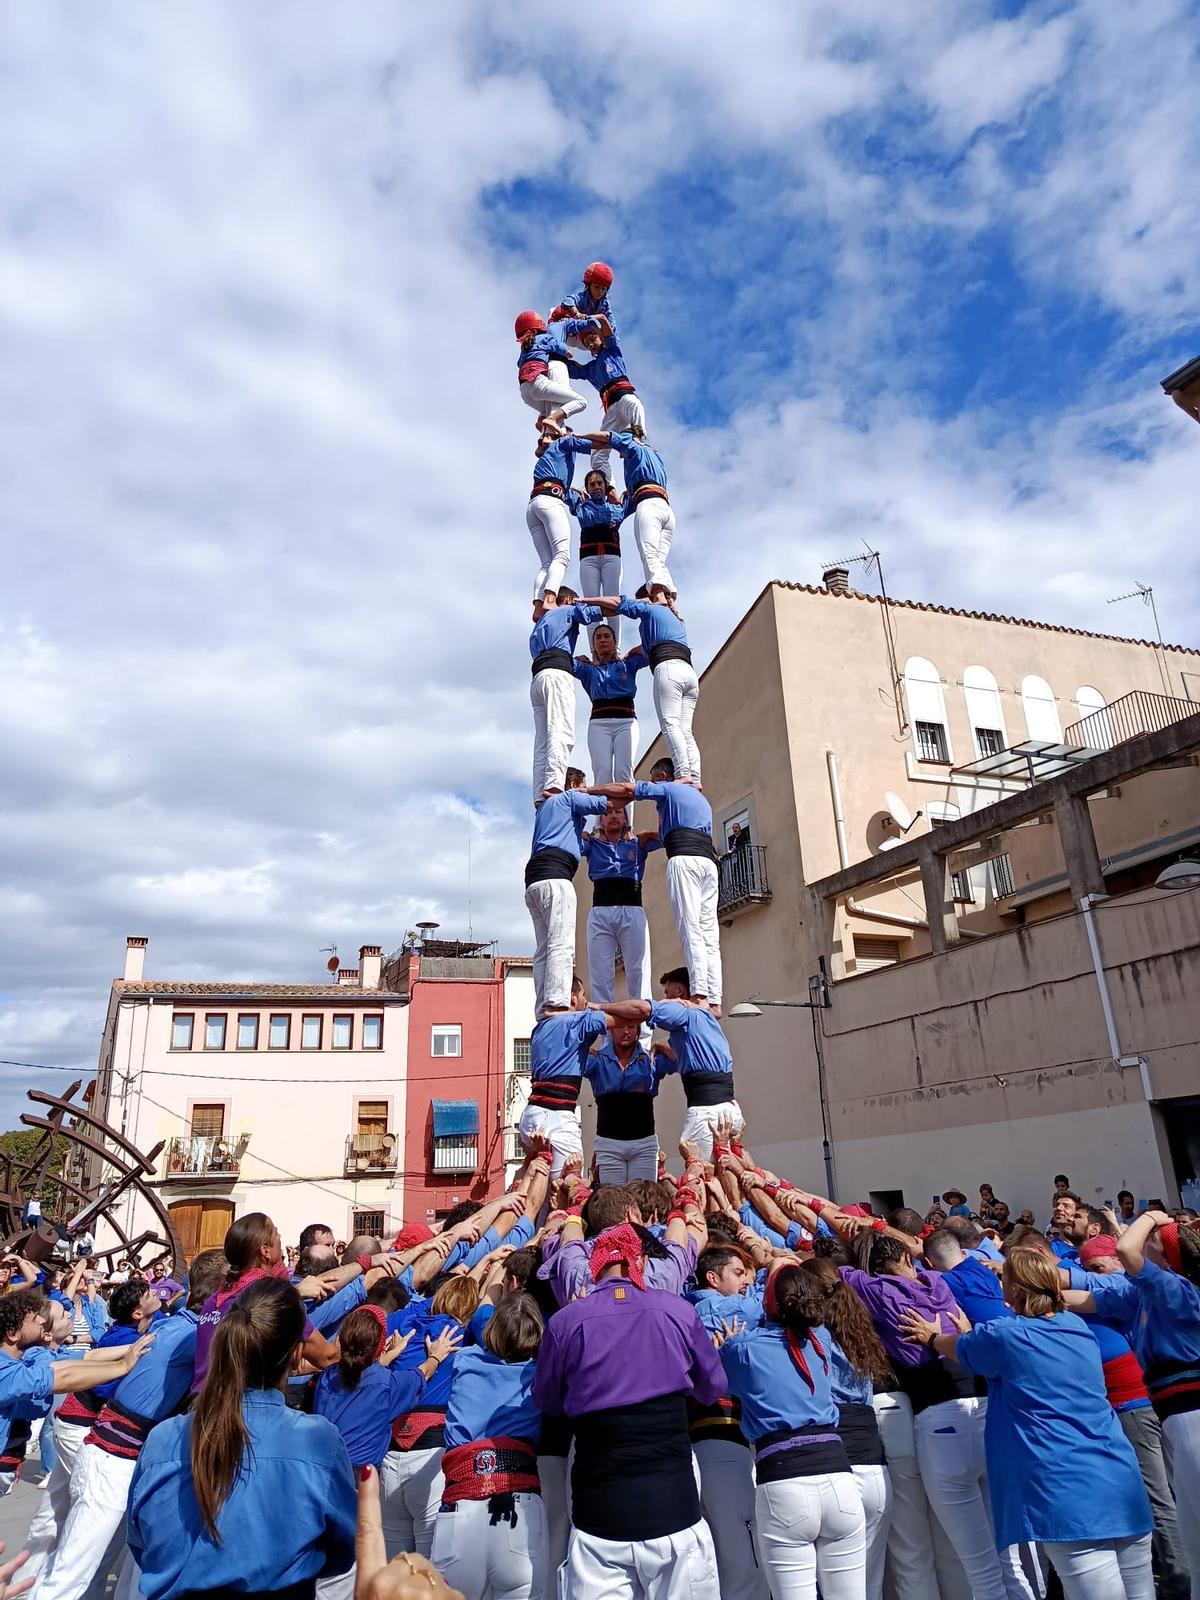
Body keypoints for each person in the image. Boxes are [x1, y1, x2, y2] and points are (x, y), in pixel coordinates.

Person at [900, 1247, 1154, 1600]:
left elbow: (960, 1347)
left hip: (1068, 1493)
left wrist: (931, 1337)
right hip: (1121, 1480)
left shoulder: (1006, 1336)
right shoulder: (1076, 1327)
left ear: (1016, 1290)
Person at [127, 1279, 356, 1597]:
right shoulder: (319, 1441)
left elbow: (141, 1542)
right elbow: (342, 1550)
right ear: (296, 1355)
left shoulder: (162, 1439)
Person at [534, 1222, 723, 1599]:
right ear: (638, 1260)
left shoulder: (564, 1322)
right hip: (674, 1503)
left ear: (595, 1267)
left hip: (598, 1514)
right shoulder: (677, 1310)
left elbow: (549, 1402)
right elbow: (713, 1387)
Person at [840, 1234, 1029, 1600]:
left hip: (940, 1420)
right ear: (911, 1261)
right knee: (1008, 1558)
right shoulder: (940, 1283)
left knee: (980, 1567)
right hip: (984, 1413)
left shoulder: (880, 1290)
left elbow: (846, 1275)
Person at [33, 1251, 229, 1600]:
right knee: (71, 1573)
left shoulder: (172, 1324)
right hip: (112, 1457)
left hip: (120, 1456)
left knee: (103, 1565)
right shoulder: (189, 1334)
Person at [718, 1263, 867, 1600]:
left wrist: (728, 1344)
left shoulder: (742, 1348)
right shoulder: (822, 1340)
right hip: (839, 1477)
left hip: (783, 1481)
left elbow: (720, 1383)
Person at [1076, 1210, 1200, 1597]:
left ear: (1164, 1257)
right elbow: (1088, 1297)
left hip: (1193, 1417)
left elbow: (1126, 1248)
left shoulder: (1176, 1288)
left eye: (1153, 1241)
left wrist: (1149, 1216)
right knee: (1194, 1543)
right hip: (1175, 1420)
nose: (1142, 1243)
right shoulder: (1146, 1292)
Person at [315, 1306, 460, 1599]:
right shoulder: (385, 1384)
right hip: (357, 1486)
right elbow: (420, 1376)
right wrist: (436, 1354)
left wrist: (387, 1355)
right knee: (349, 1576)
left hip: (320, 1480)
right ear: (379, 1345)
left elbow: (358, 1378)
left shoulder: (326, 1379)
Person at [431, 1294, 547, 1600]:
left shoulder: (464, 1360)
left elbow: (484, 1312)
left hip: (460, 1509)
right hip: (518, 1510)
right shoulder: (540, 1372)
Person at [802, 1257, 896, 1600]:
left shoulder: (812, 1338)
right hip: (874, 1469)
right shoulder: (861, 1333)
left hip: (838, 1467)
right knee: (869, 1587)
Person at [687, 1243, 770, 1600]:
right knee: (741, 1552)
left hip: (703, 1440)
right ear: (712, 1277)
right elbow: (773, 1299)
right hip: (722, 1437)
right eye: (738, 1273)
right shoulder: (725, 1308)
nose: (746, 1282)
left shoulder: (684, 1305)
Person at [604, 759, 722, 1010]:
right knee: (709, 933)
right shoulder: (701, 800)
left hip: (685, 862)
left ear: (663, 777)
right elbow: (671, 833)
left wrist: (590, 792)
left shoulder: (669, 789)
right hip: (708, 865)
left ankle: (700, 993)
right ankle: (715, 998)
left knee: (690, 928)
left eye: (655, 779)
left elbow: (628, 790)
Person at [193, 1212, 339, 1393]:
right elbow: (327, 1357)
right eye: (276, 1234)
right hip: (241, 1407)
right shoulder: (275, 1299)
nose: (280, 1237)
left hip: (202, 1405)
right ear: (265, 1251)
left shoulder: (213, 1301)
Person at [380, 1279, 472, 1561]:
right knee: (430, 1573)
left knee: (397, 1572)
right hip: (431, 1455)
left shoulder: (401, 1326)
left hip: (390, 1452)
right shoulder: (461, 1334)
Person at [606, 995, 740, 1159]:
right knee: (728, 1168)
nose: (665, 999)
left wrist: (598, 1007)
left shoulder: (686, 1015)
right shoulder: (707, 1024)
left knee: (702, 1171)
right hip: (728, 1107)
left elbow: (645, 1009)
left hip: (707, 1112)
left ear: (680, 994)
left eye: (668, 994)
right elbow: (683, 1057)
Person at [522, 771, 609, 1018]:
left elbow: (579, 844)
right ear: (572, 785)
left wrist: (592, 838)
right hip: (555, 878)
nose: (585, 789)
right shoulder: (569, 798)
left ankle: (543, 1007)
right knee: (561, 944)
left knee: (544, 948)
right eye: (583, 786)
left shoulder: (547, 810)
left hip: (535, 881)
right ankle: (559, 1002)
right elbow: (606, 803)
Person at [517, 979, 610, 1177]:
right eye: (584, 995)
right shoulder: (578, 1022)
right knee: (569, 1183)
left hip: (531, 1113)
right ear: (572, 998)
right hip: (558, 1115)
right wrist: (598, 1007)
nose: (587, 1001)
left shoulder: (540, 1028)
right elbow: (629, 1016)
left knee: (535, 1180)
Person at [613, 590, 700, 780]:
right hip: (689, 673)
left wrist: (586, 600)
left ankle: (683, 773)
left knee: (670, 724)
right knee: (685, 730)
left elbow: (620, 604)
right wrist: (629, 653)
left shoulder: (650, 609)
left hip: (669, 669)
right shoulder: (672, 617)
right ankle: (695, 776)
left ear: (648, 597)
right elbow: (645, 650)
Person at [528, 588, 603, 806]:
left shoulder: (539, 625)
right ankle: (554, 785)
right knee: (561, 732)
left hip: (539, 678)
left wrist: (572, 659)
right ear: (569, 600)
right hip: (557, 676)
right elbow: (599, 611)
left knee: (542, 739)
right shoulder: (567, 610)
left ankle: (539, 794)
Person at [581, 810, 656, 1005]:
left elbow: (668, 838)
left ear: (625, 819)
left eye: (618, 812)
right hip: (601, 910)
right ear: (601, 820)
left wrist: (649, 834)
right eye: (608, 813)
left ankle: (643, 1033)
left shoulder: (637, 844)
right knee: (600, 974)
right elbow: (570, 844)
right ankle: (605, 1032)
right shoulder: (592, 845)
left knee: (638, 970)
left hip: (632, 908)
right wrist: (580, 832)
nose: (613, 816)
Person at [586, 1020, 669, 1185]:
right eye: (620, 1026)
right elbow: (567, 1053)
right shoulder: (598, 1060)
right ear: (610, 1030)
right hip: (609, 1145)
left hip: (644, 1145)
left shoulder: (649, 1060)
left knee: (643, 1201)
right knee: (613, 1203)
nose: (625, 1031)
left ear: (638, 1030)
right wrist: (584, 1046)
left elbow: (684, 1057)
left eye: (631, 1026)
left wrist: (662, 1044)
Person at [569, 317, 643, 482]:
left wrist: (594, 318)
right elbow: (571, 369)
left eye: (593, 339)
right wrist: (557, 350)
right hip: (611, 411)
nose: (591, 344)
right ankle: (608, 489)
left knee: (636, 418)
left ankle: (643, 451)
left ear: (600, 337)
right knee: (597, 455)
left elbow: (605, 324)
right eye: (587, 343)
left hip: (625, 397)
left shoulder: (611, 350)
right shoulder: (591, 369)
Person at [573, 623, 646, 787]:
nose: (602, 640)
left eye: (607, 636)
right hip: (599, 724)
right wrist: (579, 659)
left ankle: (625, 813)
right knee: (602, 772)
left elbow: (650, 647)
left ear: (614, 642)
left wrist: (632, 651)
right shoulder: (588, 670)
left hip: (626, 721)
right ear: (594, 646)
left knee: (624, 772)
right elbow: (565, 662)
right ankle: (603, 813)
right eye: (598, 637)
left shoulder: (627, 664)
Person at [527, 433, 594, 603]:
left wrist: (573, 488)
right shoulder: (564, 442)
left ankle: (538, 603)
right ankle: (550, 599)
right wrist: (618, 443)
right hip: (550, 502)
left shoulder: (547, 460)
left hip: (533, 505)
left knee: (547, 562)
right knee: (562, 555)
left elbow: (556, 480)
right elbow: (593, 443)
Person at [514, 310, 599, 435]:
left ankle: (542, 422)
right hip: (538, 383)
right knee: (580, 401)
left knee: (548, 407)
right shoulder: (545, 337)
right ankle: (552, 421)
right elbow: (565, 351)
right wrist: (569, 351)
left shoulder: (524, 347)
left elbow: (519, 364)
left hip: (524, 392)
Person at [571, 473, 627, 645]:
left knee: (613, 601)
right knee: (591, 605)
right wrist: (576, 489)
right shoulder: (580, 505)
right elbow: (564, 489)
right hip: (588, 558)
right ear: (587, 488)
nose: (596, 487)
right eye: (592, 484)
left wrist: (614, 494)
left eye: (599, 483)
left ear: (605, 486)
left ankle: (615, 649)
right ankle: (595, 651)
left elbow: (633, 497)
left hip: (611, 556)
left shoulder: (616, 507)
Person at [549, 261, 615, 330]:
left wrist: (610, 331)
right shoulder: (583, 298)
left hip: (584, 329)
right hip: (566, 322)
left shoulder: (605, 304)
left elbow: (611, 322)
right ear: (589, 285)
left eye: (603, 288)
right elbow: (568, 300)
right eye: (597, 287)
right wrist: (577, 314)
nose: (600, 292)